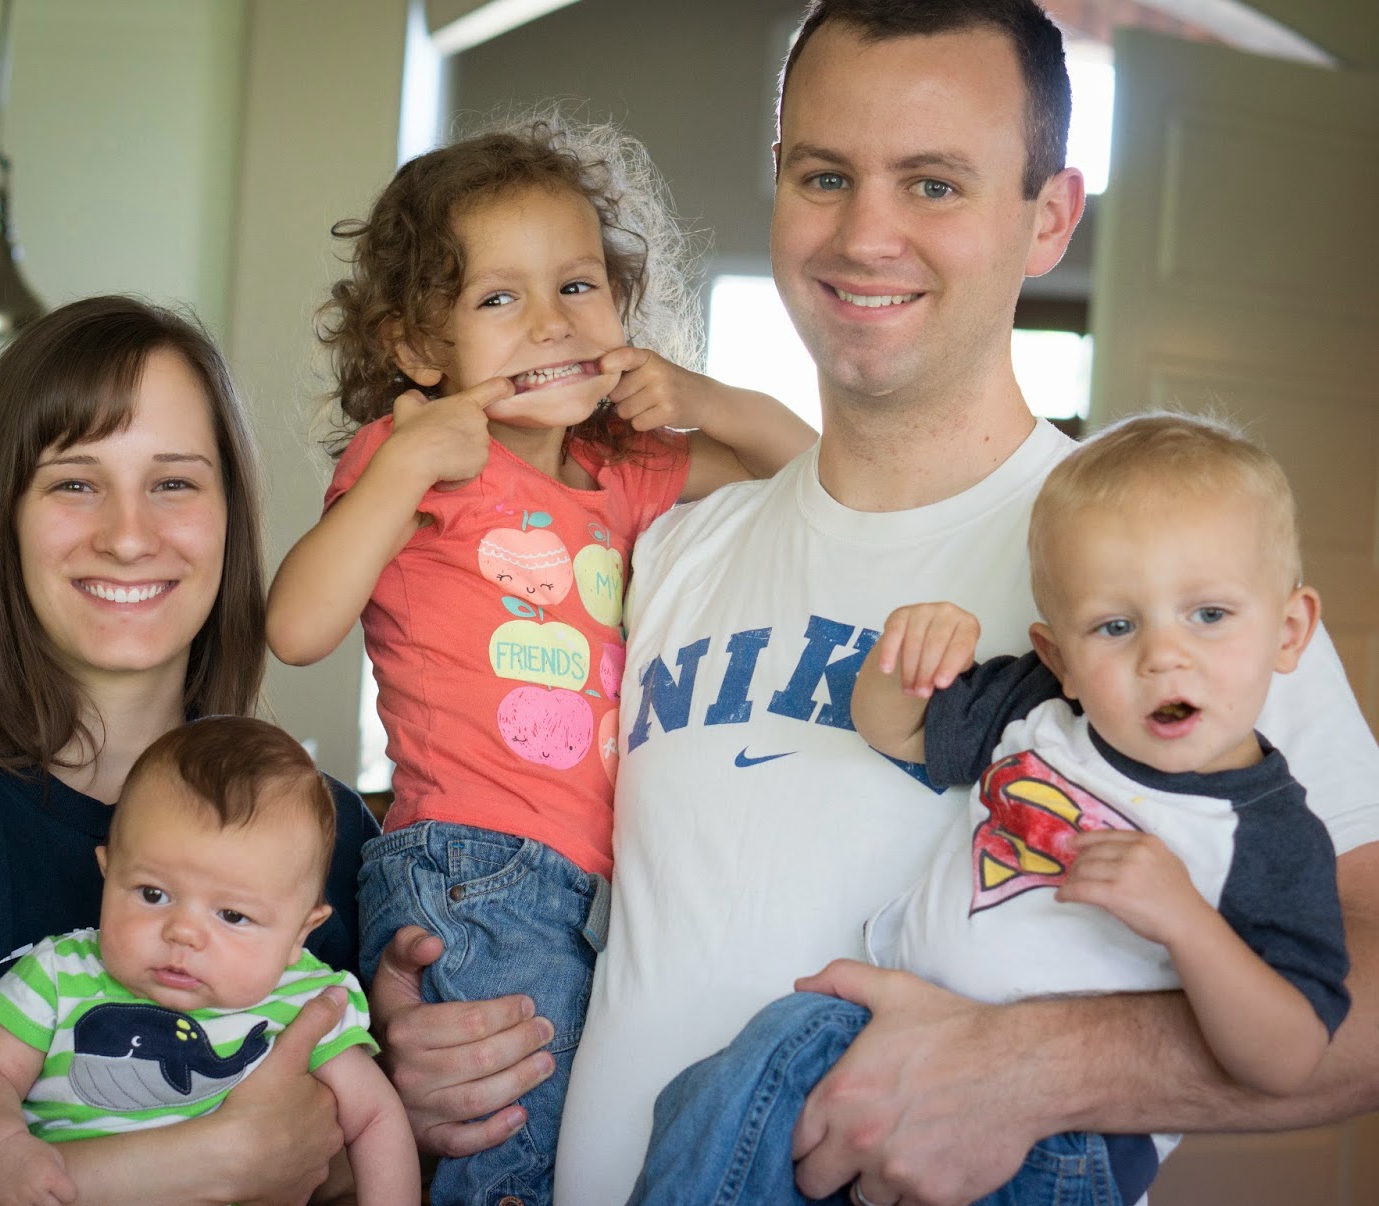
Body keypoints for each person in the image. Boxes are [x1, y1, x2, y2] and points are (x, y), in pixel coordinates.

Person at [374, 7, 1379, 1204]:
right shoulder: (668, 549)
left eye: (934, 184)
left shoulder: (1170, 585)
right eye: (824, 176)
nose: (864, 235)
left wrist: (1032, 1067)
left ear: (1048, 217)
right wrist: (435, 1030)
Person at [267, 115, 816, 1204]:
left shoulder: (626, 468)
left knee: (580, 1149)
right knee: (514, 1155)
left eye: (576, 286)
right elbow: (296, 627)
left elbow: (808, 476)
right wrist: (404, 465)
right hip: (475, 865)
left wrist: (709, 401)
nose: (550, 323)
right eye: (498, 299)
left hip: (603, 879)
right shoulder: (416, 455)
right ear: (418, 349)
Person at [626, 413, 1351, 1206]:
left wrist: (1187, 923)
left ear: (1290, 632)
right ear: (1059, 658)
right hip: (881, 1051)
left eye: (1209, 615)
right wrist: (904, 664)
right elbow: (894, 730)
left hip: (1064, 1142)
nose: (1163, 655)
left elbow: (1287, 1058)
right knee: (745, 1070)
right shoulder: (1039, 715)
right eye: (1115, 626)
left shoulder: (1271, 836)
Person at [0, 295, 379, 1205]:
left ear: (230, 516)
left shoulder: (336, 836)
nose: (128, 536)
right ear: (1, 515)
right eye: (73, 482)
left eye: (173, 483)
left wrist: (423, 1085)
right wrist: (206, 1163)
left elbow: (364, 1148)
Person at [0, 716, 416, 1206]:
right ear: (109, 872)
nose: (183, 933)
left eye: (232, 915)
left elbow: (375, 1118)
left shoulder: (307, 1000)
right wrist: (4, 1148)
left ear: (301, 932)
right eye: (153, 893)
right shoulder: (59, 974)